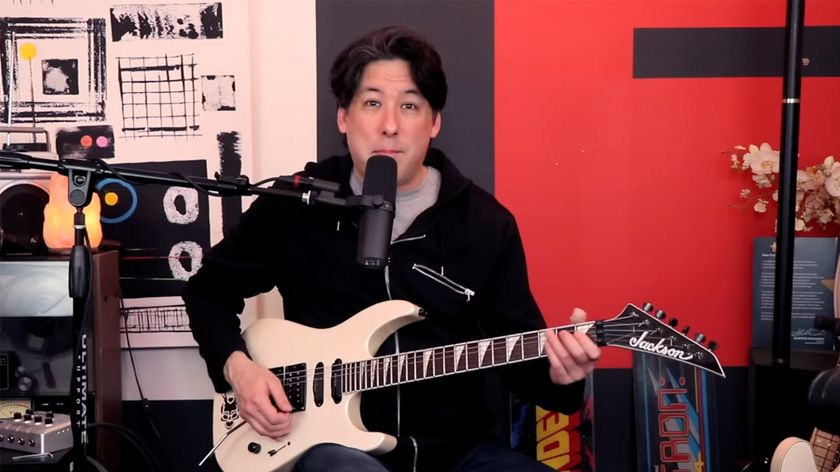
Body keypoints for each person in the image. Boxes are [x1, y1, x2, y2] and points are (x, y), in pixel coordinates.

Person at [183, 25, 601, 472]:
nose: (390, 124)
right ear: (344, 117)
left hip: (458, 451)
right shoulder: (296, 206)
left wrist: (561, 376)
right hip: (332, 449)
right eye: (372, 102)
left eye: (409, 105)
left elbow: (523, 360)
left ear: (434, 121)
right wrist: (239, 370)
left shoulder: (484, 224)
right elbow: (208, 291)